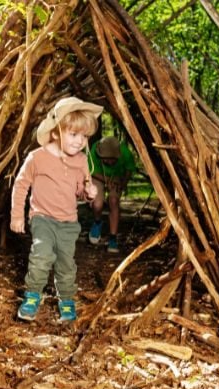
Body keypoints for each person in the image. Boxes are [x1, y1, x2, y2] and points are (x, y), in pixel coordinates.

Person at [10, 97, 102, 322]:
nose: (80, 141)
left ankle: (67, 299)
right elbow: (21, 185)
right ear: (55, 132)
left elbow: (80, 191)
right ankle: (32, 296)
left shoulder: (81, 161)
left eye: (85, 136)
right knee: (41, 255)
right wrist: (17, 216)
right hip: (42, 218)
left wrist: (89, 193)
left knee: (66, 263)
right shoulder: (37, 158)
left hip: (69, 223)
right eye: (74, 134)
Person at [87, 136, 136, 253]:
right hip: (98, 175)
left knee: (113, 201)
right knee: (97, 204)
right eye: (105, 159)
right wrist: (107, 180)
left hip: (117, 177)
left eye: (112, 159)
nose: (109, 162)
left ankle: (113, 238)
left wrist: (123, 183)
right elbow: (90, 171)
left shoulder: (125, 153)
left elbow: (129, 169)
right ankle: (97, 222)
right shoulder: (94, 150)